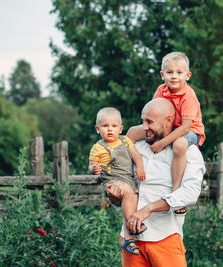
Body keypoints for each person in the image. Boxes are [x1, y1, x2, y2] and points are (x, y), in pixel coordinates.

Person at [107, 98, 205, 266]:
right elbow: (120, 189)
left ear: (168, 120)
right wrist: (114, 195)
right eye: (142, 121)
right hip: (131, 240)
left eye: (149, 122)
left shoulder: (187, 151)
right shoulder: (135, 147)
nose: (144, 127)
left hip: (165, 237)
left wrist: (149, 209)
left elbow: (190, 193)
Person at [128, 52, 205, 215]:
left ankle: (176, 189)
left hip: (190, 130)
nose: (174, 76)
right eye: (169, 72)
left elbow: (185, 127)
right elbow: (154, 111)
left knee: (179, 145)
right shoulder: (161, 90)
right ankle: (121, 167)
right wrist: (149, 128)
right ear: (162, 75)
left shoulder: (188, 96)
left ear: (188, 75)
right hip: (167, 126)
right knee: (132, 132)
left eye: (179, 72)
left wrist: (162, 143)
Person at [88, 107, 146, 255]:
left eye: (114, 126)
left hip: (128, 178)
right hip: (110, 180)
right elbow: (92, 166)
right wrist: (94, 169)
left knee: (133, 199)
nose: (109, 129)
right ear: (97, 129)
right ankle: (134, 225)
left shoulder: (126, 141)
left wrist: (139, 168)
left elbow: (136, 155)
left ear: (120, 129)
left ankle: (128, 239)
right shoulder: (97, 148)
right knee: (127, 193)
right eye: (105, 126)